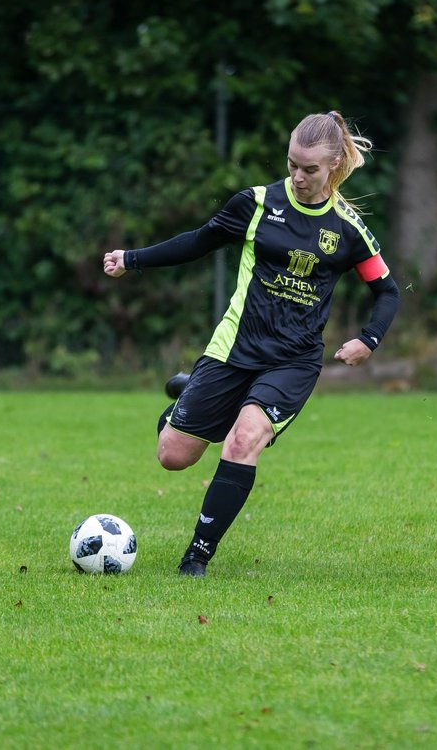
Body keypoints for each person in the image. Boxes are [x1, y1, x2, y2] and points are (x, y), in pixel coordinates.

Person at [102, 111, 401, 577]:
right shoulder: (257, 204)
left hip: (294, 362)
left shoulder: (346, 228)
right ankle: (189, 393)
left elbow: (387, 290)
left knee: (243, 440)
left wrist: (369, 339)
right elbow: (199, 242)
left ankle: (196, 557)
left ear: (335, 165)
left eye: (310, 170)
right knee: (173, 456)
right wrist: (132, 259)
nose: (298, 178)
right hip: (234, 349)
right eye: (292, 165)